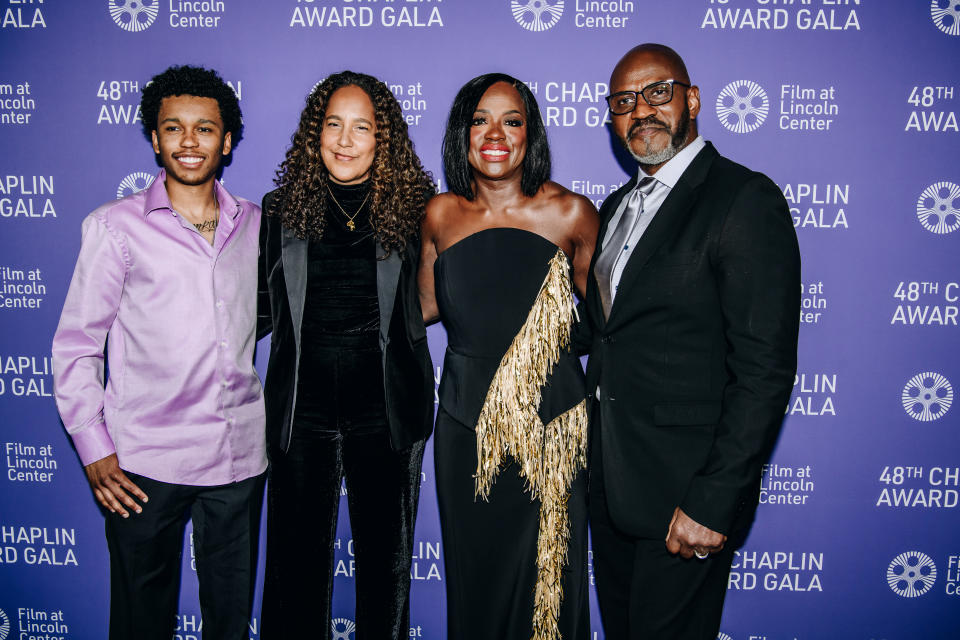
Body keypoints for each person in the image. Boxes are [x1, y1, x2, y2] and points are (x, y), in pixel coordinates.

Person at [582, 43, 801, 639]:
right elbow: (608, 334)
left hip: (687, 496)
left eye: (658, 92)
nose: (642, 110)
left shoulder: (742, 199)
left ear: (692, 99)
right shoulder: (616, 207)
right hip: (611, 487)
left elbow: (764, 369)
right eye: (624, 101)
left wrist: (714, 498)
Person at [51, 65, 265, 640]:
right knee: (142, 621)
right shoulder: (114, 228)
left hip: (238, 457)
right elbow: (76, 346)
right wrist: (94, 446)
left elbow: (262, 315)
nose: (189, 142)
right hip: (144, 461)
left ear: (227, 141)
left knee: (230, 621)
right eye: (174, 128)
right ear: (154, 138)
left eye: (204, 129)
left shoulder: (256, 226)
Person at [419, 73, 599, 640]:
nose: (495, 133)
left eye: (511, 120)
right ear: (462, 134)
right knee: (476, 583)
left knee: (549, 587)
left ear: (530, 133)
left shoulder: (571, 214)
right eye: (480, 120)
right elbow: (420, 309)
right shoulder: (439, 216)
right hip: (465, 429)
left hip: (552, 431)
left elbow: (609, 324)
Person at [257, 70, 435, 639]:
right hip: (300, 412)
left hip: (386, 409)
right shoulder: (280, 208)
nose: (345, 139)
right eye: (333, 124)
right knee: (294, 573)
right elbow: (254, 310)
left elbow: (440, 300)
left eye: (362, 127)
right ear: (316, 132)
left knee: (388, 575)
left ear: (384, 139)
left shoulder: (417, 210)